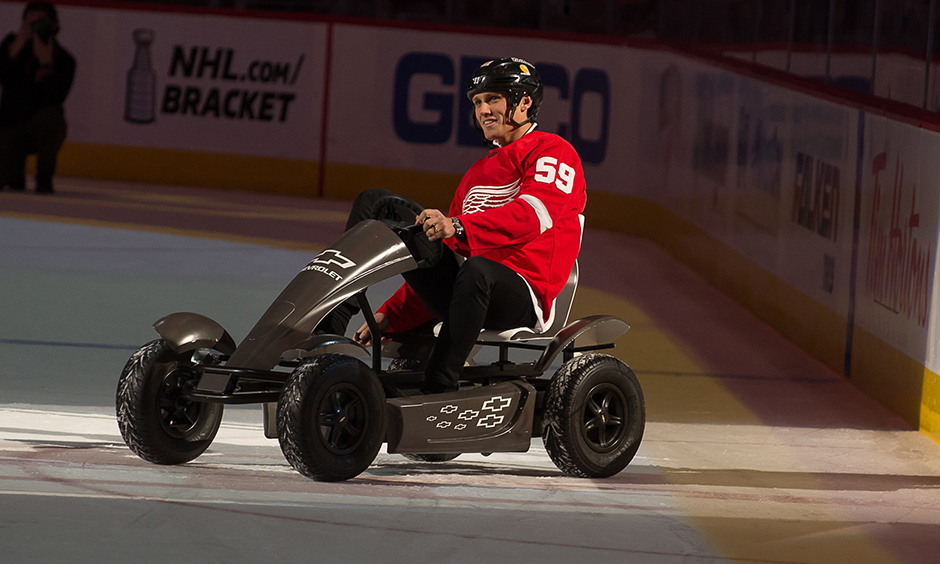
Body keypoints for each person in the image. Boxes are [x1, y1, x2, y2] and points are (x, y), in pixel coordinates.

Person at [324, 57, 587, 394]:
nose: (483, 110)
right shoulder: (476, 173)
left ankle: (440, 385)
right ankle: (330, 331)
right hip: (465, 288)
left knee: (478, 270)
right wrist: (391, 314)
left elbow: (533, 216)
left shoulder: (552, 150)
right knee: (375, 201)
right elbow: (443, 253)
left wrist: (458, 226)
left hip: (521, 293)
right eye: (477, 102)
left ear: (524, 102)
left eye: (493, 99)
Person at [0, 1, 75, 194]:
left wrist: (46, 64)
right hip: (9, 127)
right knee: (8, 178)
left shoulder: (64, 60)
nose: (34, 28)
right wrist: (15, 48)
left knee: (50, 117)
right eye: (29, 23)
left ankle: (44, 177)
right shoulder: (11, 46)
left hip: (40, 129)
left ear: (53, 25)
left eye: (40, 23)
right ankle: (14, 172)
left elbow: (54, 99)